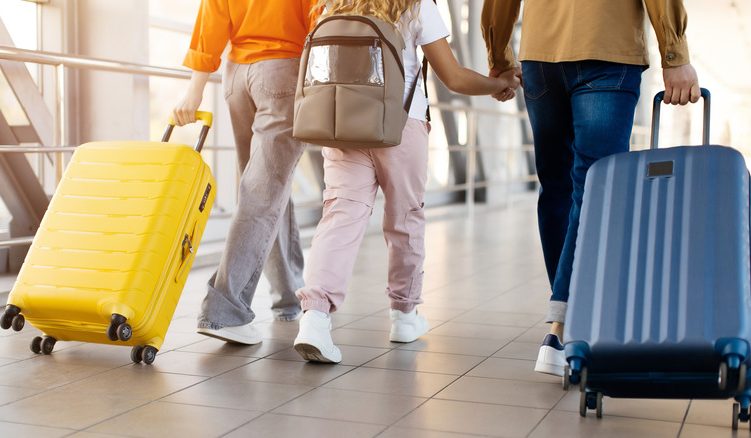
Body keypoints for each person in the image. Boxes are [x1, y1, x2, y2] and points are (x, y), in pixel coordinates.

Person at [292, 0, 521, 363]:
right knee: (404, 220)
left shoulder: (333, 5)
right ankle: (404, 316)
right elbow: (454, 77)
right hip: (400, 126)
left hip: (343, 125)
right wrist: (499, 83)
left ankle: (315, 318)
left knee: (339, 218)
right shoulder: (415, 7)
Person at [480, 0, 701, 376]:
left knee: (558, 187)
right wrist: (674, 52)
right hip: (607, 51)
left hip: (540, 59)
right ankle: (563, 326)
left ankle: (567, 314)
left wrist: (499, 52)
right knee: (598, 188)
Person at [170, 0, 318, 344]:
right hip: (284, 69)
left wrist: (195, 89)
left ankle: (288, 296)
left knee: (265, 188)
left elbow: (212, 15)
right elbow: (319, 17)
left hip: (237, 77)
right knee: (262, 193)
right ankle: (225, 311)